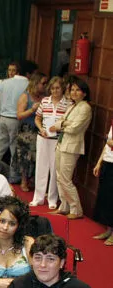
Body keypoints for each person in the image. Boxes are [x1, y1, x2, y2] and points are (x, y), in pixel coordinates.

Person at [51, 79, 92, 220]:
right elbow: (60, 121)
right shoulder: (72, 106)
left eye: (78, 90)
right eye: (72, 89)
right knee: (59, 176)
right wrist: (64, 123)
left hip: (72, 146)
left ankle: (76, 208)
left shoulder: (85, 107)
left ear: (84, 93)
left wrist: (62, 124)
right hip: (61, 143)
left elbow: (75, 128)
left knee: (65, 179)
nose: (74, 92)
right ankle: (64, 206)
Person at [33, 77, 71, 209]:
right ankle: (38, 197)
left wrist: (60, 127)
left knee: (54, 169)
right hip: (43, 138)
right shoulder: (44, 101)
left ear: (63, 88)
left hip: (57, 140)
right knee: (41, 167)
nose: (55, 90)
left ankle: (52, 199)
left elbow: (69, 122)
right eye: (53, 88)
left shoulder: (68, 104)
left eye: (58, 88)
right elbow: (37, 118)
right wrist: (41, 129)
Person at [0, 62, 30, 181]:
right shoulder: (27, 83)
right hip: (15, 118)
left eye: (13, 70)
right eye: (10, 70)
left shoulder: (3, 83)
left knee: (0, 147)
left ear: (17, 72)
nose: (11, 72)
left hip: (3, 117)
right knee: (14, 148)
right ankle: (13, 176)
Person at [14, 72, 48, 193]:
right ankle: (24, 180)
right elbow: (19, 115)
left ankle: (34, 179)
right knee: (25, 157)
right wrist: (32, 109)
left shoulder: (46, 97)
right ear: (36, 83)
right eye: (43, 83)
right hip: (26, 132)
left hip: (40, 131)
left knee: (38, 157)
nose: (45, 86)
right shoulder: (25, 96)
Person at [92, 121, 113, 244]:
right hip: (107, 162)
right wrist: (99, 162)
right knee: (105, 198)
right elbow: (106, 145)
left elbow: (109, 141)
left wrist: (108, 141)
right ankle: (108, 229)